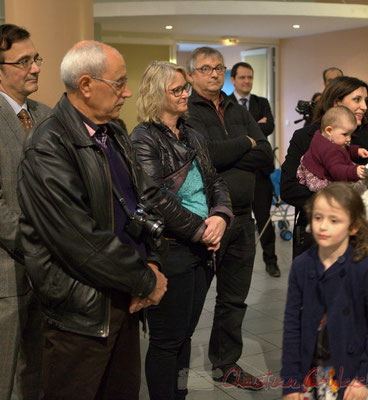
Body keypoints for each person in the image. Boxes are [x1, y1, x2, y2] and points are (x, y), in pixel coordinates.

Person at [17, 40, 168, 400]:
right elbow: (80, 240)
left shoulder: (113, 133)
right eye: (119, 84)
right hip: (81, 312)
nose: (127, 93)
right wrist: (147, 279)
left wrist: (151, 259)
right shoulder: (48, 145)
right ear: (86, 85)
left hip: (126, 298)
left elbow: (145, 200)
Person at [130, 61, 233, 400]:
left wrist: (220, 216)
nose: (185, 94)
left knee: (185, 335)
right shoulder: (143, 137)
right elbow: (154, 197)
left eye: (184, 87)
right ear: (155, 94)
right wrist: (200, 230)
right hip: (170, 249)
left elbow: (214, 180)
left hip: (201, 248)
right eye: (177, 90)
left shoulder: (192, 133)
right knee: (166, 340)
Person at [186, 46, 274, 389]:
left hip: (244, 218)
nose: (214, 74)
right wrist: (246, 144)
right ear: (192, 74)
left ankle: (226, 364)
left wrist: (240, 150)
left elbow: (265, 154)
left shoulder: (235, 105)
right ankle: (174, 359)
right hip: (206, 220)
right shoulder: (188, 109)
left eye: (219, 67)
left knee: (234, 298)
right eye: (206, 68)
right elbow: (206, 156)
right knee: (192, 300)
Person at [281, 76, 368, 294]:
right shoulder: (306, 137)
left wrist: (362, 229)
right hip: (318, 237)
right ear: (336, 102)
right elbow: (289, 187)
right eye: (357, 99)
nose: (364, 106)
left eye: (366, 101)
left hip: (365, 236)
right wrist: (333, 213)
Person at [281, 182, 368, 399]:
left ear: (353, 226)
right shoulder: (302, 266)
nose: (322, 226)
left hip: (354, 373)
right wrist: (291, 383)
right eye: (318, 217)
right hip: (313, 373)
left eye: (334, 220)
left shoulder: (367, 269)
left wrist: (364, 378)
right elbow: (292, 325)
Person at [0, 24, 51, 400]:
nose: (35, 68)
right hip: (8, 273)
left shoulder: (46, 116)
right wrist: (36, 243)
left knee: (38, 375)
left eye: (36, 59)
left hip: (49, 275)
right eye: (23, 61)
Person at [228, 61, 280, 277]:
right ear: (233, 80)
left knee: (264, 219)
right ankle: (234, 262)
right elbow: (227, 134)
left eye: (250, 77)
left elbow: (270, 126)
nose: (247, 81)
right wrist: (254, 128)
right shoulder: (226, 103)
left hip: (260, 171)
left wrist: (243, 132)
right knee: (234, 221)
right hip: (234, 171)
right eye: (242, 77)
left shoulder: (261, 101)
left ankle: (271, 261)